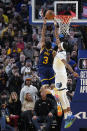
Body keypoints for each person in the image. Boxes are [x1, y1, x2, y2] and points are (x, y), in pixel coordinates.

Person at [53, 19, 79, 128]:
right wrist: (56, 26)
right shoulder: (60, 50)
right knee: (62, 97)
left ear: (61, 47)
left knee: (62, 97)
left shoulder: (61, 54)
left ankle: (68, 116)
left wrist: (73, 72)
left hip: (61, 76)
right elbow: (57, 37)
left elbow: (67, 65)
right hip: (58, 75)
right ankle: (69, 116)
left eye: (60, 44)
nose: (58, 44)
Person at [38, 18, 56, 89]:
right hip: (50, 68)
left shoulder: (43, 48)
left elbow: (43, 35)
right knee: (53, 86)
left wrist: (44, 24)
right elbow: (54, 62)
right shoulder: (53, 52)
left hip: (42, 68)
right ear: (51, 45)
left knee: (45, 87)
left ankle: (44, 96)